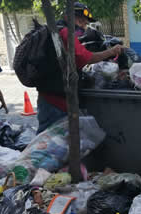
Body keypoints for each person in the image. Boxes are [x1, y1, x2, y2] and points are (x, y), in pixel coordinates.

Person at [37, 2, 123, 134]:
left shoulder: (56, 30)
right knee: (48, 143)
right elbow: (84, 57)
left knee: (52, 141)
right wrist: (111, 52)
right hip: (55, 100)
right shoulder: (64, 32)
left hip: (51, 96)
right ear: (68, 17)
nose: (83, 26)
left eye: (85, 23)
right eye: (81, 21)